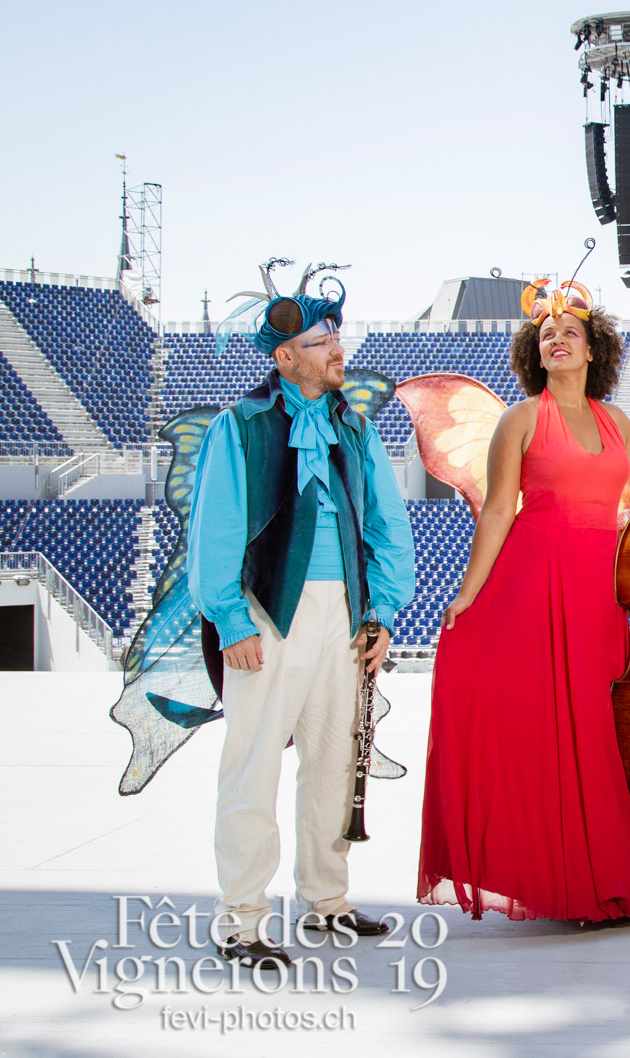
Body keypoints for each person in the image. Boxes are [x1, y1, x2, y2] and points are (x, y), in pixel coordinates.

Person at [417, 281, 630, 923]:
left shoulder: (615, 422)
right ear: (536, 351)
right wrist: (467, 595)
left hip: (600, 589)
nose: (557, 341)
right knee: (555, 729)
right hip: (534, 581)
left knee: (598, 730)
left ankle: (607, 863)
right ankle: (569, 879)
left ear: (594, 350)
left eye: (570, 334)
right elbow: (500, 509)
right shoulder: (520, 418)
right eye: (546, 335)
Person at [190, 284, 416, 970]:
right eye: (323, 343)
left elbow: (385, 522)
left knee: (332, 760)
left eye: (336, 339)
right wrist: (232, 620)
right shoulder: (241, 424)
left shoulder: (355, 425)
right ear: (287, 357)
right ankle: (243, 918)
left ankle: (327, 902)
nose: (338, 351)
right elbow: (218, 529)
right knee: (253, 761)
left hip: (343, 611)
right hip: (265, 609)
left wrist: (380, 610)